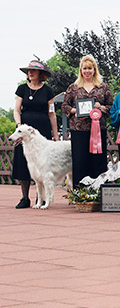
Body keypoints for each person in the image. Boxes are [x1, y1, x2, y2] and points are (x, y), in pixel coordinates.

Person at [62, 55, 114, 189]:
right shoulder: (73, 87)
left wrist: (100, 108)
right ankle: (81, 194)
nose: (87, 71)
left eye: (90, 68)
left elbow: (111, 107)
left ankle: (98, 192)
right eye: (84, 68)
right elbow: (64, 106)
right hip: (78, 130)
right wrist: (76, 111)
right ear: (80, 70)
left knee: (98, 160)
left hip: (98, 130)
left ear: (94, 70)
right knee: (79, 161)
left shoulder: (103, 87)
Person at [13, 60, 59, 209]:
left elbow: (52, 114)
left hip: (42, 130)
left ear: (40, 74)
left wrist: (56, 134)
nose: (30, 73)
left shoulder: (48, 91)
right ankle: (25, 198)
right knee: (23, 161)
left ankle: (41, 198)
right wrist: (19, 125)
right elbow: (16, 110)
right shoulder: (21, 89)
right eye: (28, 71)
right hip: (25, 130)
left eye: (33, 70)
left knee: (42, 163)